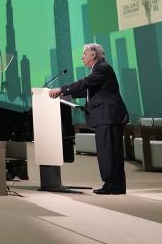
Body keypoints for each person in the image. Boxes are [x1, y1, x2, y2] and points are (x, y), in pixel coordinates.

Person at [50, 43, 128, 195]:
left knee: (109, 152)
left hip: (108, 116)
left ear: (93, 55)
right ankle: (115, 185)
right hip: (108, 116)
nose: (82, 58)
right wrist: (67, 94)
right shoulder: (99, 69)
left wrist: (62, 89)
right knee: (111, 152)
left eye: (84, 54)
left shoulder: (102, 68)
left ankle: (113, 185)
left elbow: (85, 83)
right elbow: (88, 89)